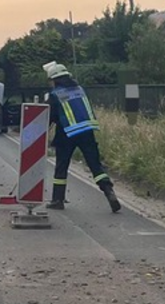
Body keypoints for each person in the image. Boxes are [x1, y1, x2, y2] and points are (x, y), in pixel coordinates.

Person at [42, 61, 121, 213]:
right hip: (87, 131)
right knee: (95, 165)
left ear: (55, 80)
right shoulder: (80, 90)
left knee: (61, 167)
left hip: (67, 133)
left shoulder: (55, 94)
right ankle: (108, 190)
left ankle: (58, 200)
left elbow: (48, 115)